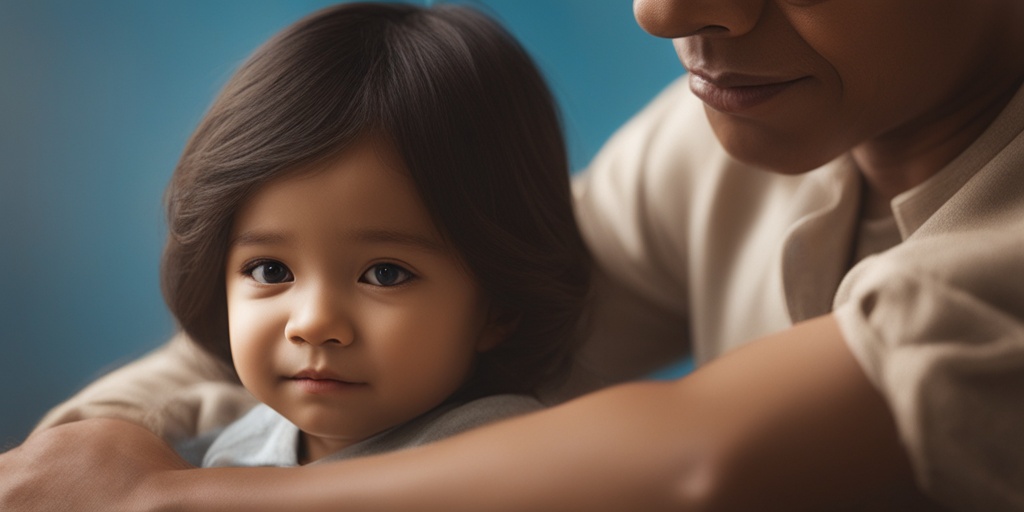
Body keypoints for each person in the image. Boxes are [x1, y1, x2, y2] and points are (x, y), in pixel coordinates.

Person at [3, 0, 1023, 510]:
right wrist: (110, 430)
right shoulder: (735, 131)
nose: (662, 12)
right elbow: (456, 281)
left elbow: (705, 456)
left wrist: (172, 498)